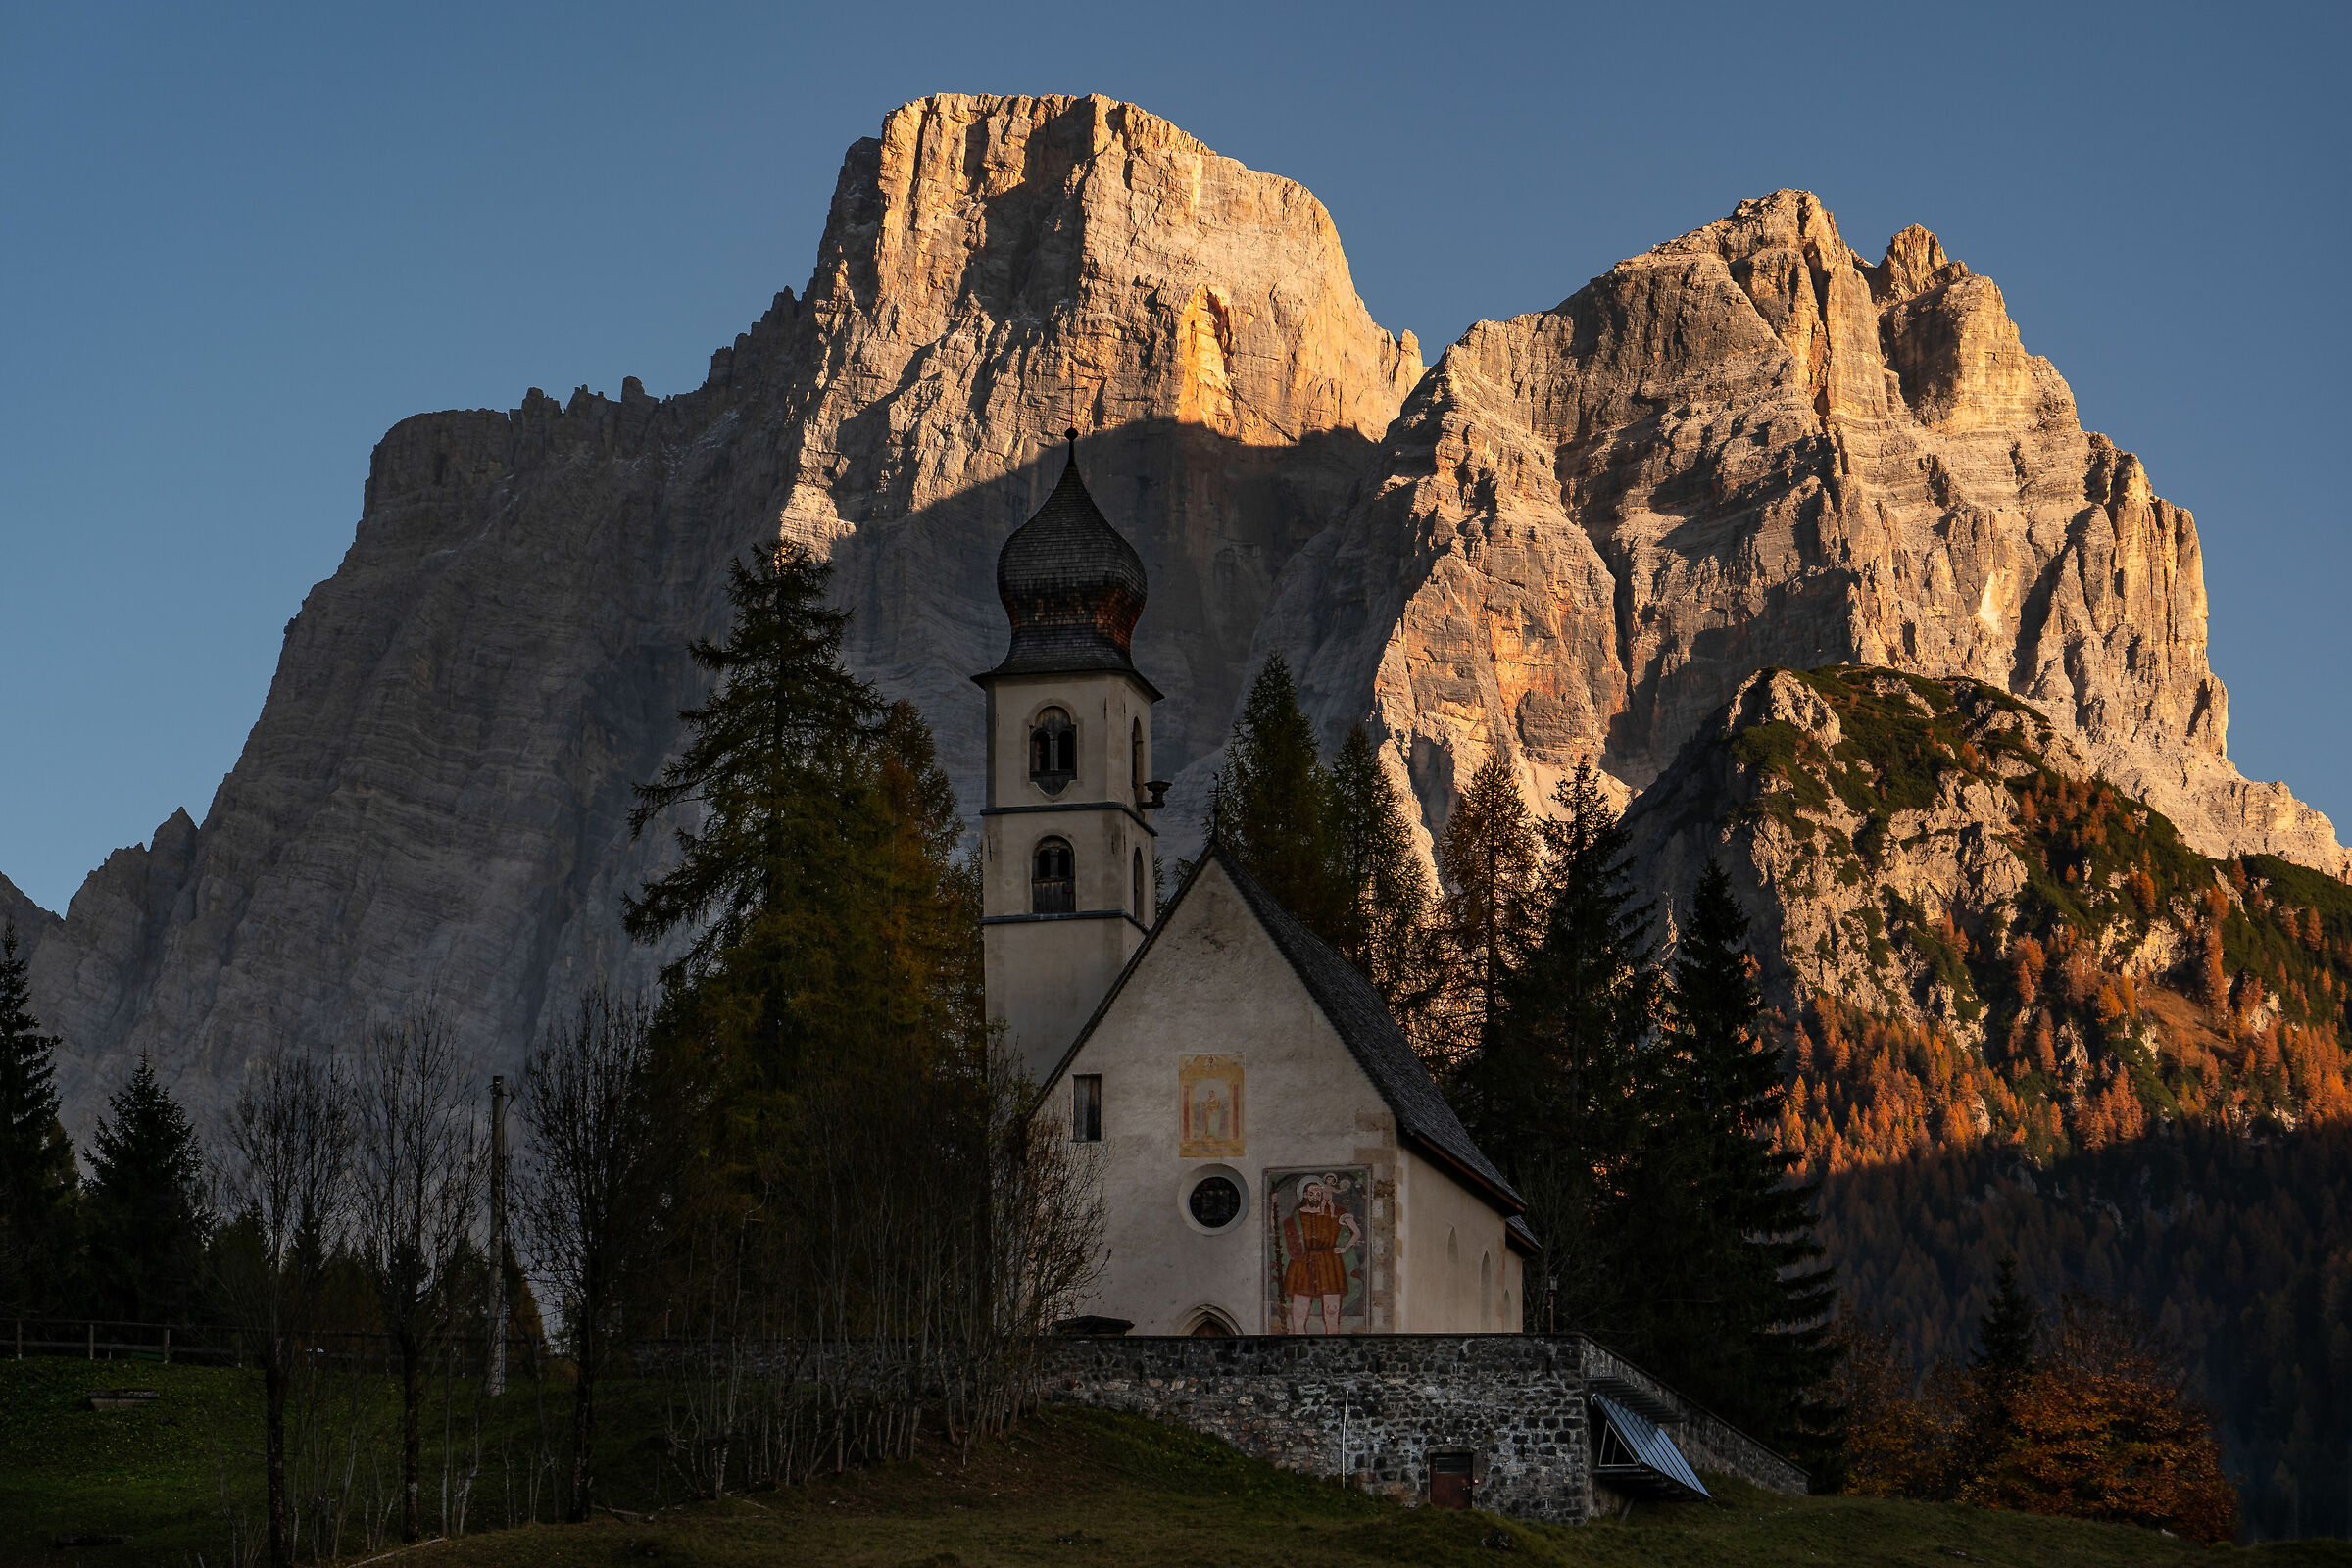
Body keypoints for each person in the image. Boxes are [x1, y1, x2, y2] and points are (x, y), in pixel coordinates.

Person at [1281, 1176, 1360, 1333]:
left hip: (1330, 1264)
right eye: (1311, 1194)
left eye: (1318, 1194)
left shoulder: (1336, 1212)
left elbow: (1357, 1232)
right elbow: (1286, 1236)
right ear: (1305, 1195)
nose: (1315, 1197)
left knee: (1331, 1315)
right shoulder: (1296, 1216)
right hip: (1302, 1264)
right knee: (1299, 1316)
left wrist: (1344, 1248)